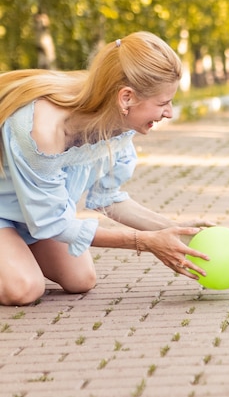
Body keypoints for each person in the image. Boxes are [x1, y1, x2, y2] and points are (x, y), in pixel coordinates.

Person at [0, 32, 213, 306]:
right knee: (24, 290)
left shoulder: (115, 121)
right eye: (162, 103)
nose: (169, 112)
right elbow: (52, 222)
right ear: (126, 98)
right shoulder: (41, 128)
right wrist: (145, 242)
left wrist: (175, 228)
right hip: (19, 213)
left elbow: (106, 198)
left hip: (31, 216)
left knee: (81, 280)